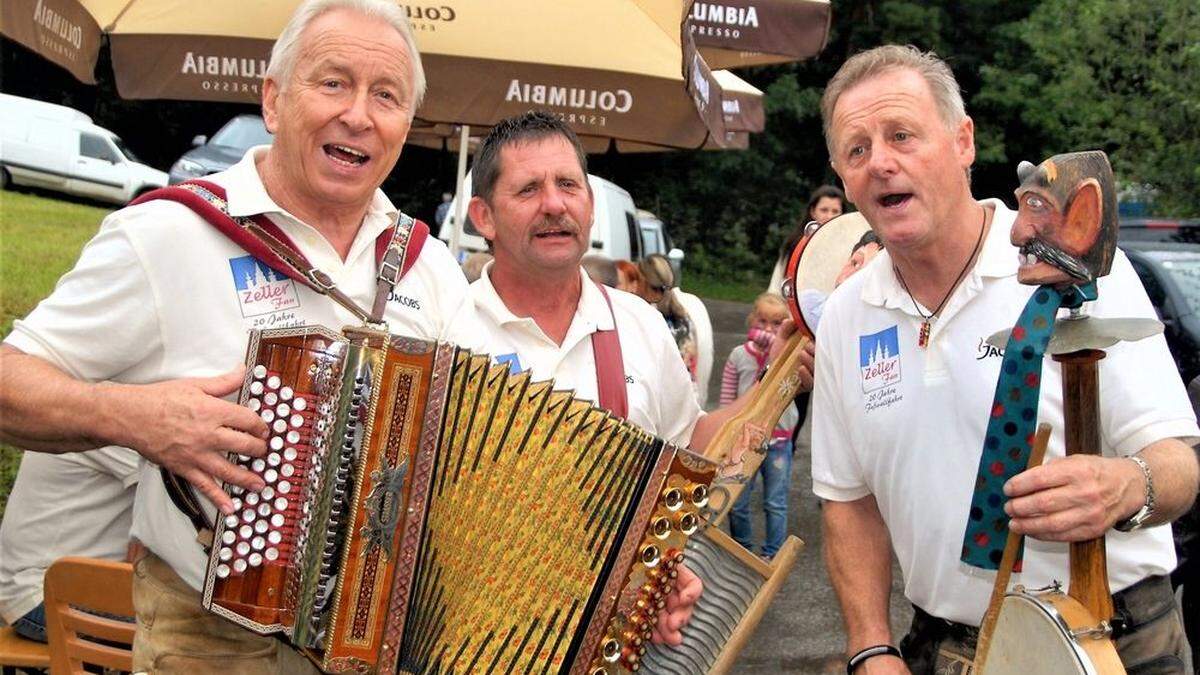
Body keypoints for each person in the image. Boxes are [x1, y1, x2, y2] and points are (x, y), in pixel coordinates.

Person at [0, 0, 467, 670]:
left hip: (377, 643)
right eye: (332, 82)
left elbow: (462, 456)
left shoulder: (434, 268)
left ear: (405, 127)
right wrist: (137, 417)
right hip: (211, 640)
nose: (358, 114)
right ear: (274, 101)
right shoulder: (167, 234)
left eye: (386, 95)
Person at [811, 45, 1199, 674]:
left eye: (902, 135)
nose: (881, 162)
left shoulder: (1068, 261)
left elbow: (1180, 460)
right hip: (944, 650)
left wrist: (1128, 485)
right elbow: (847, 501)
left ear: (963, 142)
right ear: (841, 173)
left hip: (1113, 639)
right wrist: (870, 646)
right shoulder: (849, 315)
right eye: (857, 150)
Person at [446, 110, 815, 645]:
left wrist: (774, 378)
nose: (554, 204)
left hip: (605, 641)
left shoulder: (637, 320)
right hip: (472, 639)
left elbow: (688, 447)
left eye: (568, 184)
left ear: (590, 207)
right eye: (528, 189)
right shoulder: (446, 329)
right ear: (484, 216)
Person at [0, 448, 140, 643]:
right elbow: (181, 488)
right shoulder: (109, 426)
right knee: (184, 627)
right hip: (43, 597)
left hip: (44, 589)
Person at [720, 293, 799, 560]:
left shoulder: (788, 359)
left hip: (778, 440)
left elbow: (780, 384)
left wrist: (778, 351)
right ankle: (741, 550)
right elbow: (726, 400)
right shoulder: (738, 356)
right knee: (737, 502)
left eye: (776, 324)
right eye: (762, 321)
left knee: (775, 502)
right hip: (743, 442)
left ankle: (773, 554)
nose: (768, 329)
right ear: (752, 320)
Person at [767, 185, 847, 294]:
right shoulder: (796, 244)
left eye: (835, 211)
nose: (829, 216)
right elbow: (776, 287)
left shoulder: (849, 247)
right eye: (824, 210)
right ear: (813, 212)